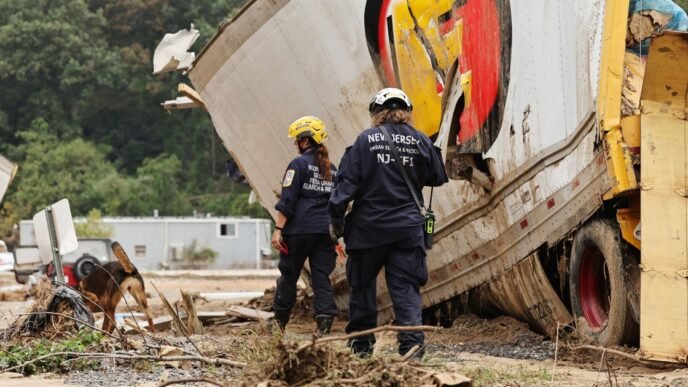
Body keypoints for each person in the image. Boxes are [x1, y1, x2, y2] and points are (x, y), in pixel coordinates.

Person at [328, 88, 448, 358]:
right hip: (407, 230)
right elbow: (438, 176)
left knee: (362, 290)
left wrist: (335, 224)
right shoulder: (420, 140)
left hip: (367, 231)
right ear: (407, 113)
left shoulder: (364, 141)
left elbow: (343, 191)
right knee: (406, 292)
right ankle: (412, 350)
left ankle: (361, 349)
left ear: (376, 114)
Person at [271, 116, 339, 335]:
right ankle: (324, 325)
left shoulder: (298, 165)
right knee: (321, 277)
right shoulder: (334, 169)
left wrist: (279, 229)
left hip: (298, 231)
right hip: (325, 232)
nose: (296, 144)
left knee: (289, 276)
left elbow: (288, 200)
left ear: (305, 141)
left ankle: (279, 323)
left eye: (297, 140)